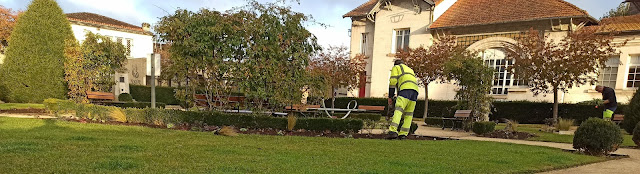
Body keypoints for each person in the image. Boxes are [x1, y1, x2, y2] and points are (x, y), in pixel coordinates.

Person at [387, 59, 419, 140]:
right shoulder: (410, 69)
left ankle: (393, 132)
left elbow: (393, 82)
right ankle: (403, 134)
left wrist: (390, 96)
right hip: (415, 91)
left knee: (399, 110)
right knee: (409, 113)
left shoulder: (396, 68)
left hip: (405, 90)